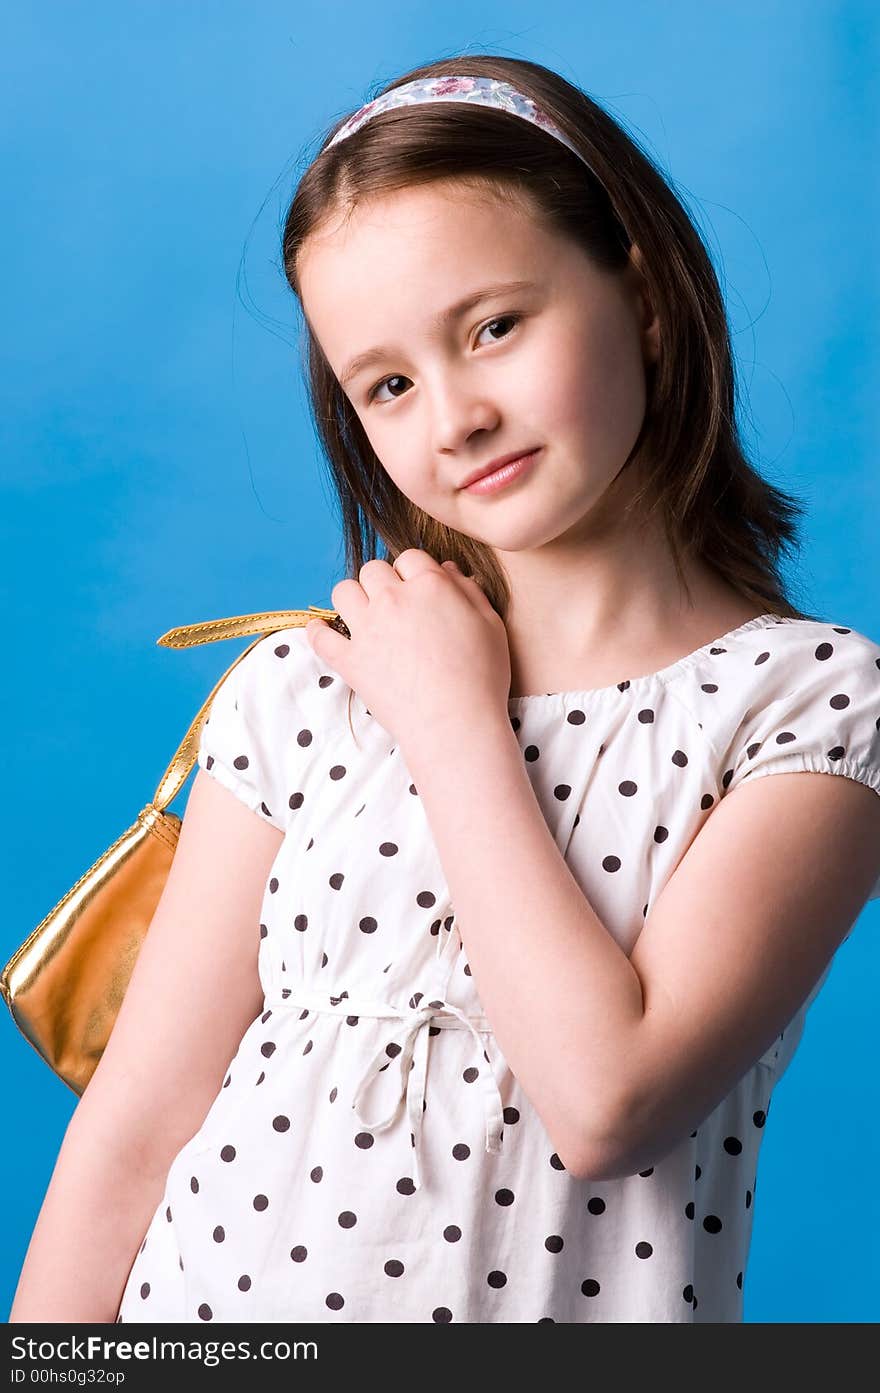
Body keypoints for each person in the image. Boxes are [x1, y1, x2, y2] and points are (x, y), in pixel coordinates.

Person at [9, 55, 880, 1326]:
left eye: (494, 327)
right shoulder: (310, 684)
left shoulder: (807, 707)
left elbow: (608, 1101)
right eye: (389, 384)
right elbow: (135, 1129)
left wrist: (455, 724)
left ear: (638, 296)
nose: (457, 418)